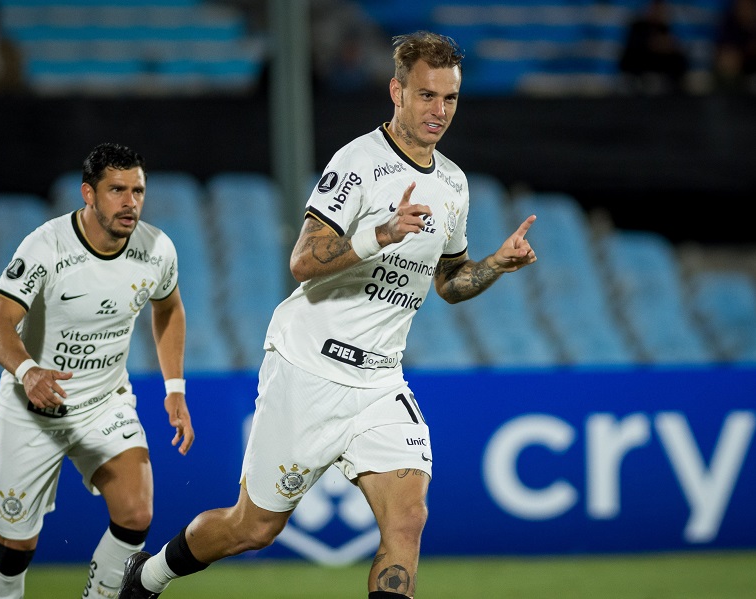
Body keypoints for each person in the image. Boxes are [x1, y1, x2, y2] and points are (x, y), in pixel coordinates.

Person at [118, 31, 537, 599]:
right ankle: (148, 576)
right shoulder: (359, 163)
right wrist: (381, 232)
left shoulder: (452, 185)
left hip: (380, 382)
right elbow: (303, 260)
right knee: (253, 528)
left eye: (450, 99)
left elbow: (449, 283)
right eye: (426, 96)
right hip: (308, 368)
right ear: (397, 91)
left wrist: (496, 264)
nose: (439, 111)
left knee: (407, 521)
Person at [0, 142, 195, 599]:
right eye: (117, 190)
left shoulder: (157, 248)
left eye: (137, 190)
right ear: (88, 194)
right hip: (33, 408)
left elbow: (169, 308)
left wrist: (173, 387)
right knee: (16, 545)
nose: (130, 202)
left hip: (104, 402)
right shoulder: (46, 246)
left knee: (136, 513)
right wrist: (28, 372)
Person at [618, 0, 689, 93]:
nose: (658, 13)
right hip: (637, 77)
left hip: (660, 80)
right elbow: (630, 57)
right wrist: (652, 44)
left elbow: (677, 58)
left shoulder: (665, 29)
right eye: (655, 9)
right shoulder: (637, 28)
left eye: (660, 10)